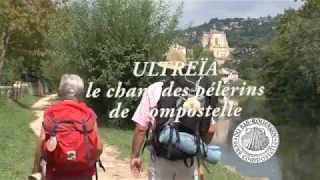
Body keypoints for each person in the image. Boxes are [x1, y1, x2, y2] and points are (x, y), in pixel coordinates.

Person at [130, 49, 218, 180]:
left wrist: (135, 156)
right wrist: (195, 148)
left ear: (166, 68)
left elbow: (141, 128)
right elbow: (210, 130)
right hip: (187, 159)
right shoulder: (196, 92)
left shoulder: (154, 89)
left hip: (160, 157)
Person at [31, 74, 104, 180]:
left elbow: (42, 141)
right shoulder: (88, 113)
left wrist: (36, 167)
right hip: (84, 174)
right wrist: (90, 160)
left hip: (56, 174)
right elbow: (98, 147)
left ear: (61, 90)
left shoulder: (51, 112)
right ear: (80, 92)